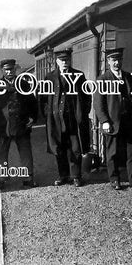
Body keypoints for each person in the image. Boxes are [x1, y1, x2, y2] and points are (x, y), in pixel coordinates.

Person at [94, 48, 132, 190]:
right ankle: (114, 179)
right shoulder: (102, 79)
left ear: (122, 60)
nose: (116, 63)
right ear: (108, 62)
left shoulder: (129, 77)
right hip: (113, 122)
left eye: (119, 60)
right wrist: (104, 121)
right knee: (113, 152)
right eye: (113, 60)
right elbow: (98, 104)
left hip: (129, 120)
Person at [42, 49, 91, 187]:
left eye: (67, 60)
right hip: (56, 119)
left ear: (70, 61)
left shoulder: (79, 76)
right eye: (62, 60)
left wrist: (84, 112)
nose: (65, 63)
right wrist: (47, 113)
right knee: (59, 148)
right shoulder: (50, 77)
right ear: (57, 61)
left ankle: (76, 176)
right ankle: (63, 175)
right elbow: (43, 98)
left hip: (73, 119)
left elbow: (87, 95)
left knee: (75, 147)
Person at [0, 59, 38, 189]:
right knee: (1, 153)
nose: (9, 72)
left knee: (25, 152)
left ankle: (28, 178)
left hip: (22, 124)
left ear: (15, 69)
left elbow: (32, 101)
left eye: (11, 69)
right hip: (3, 126)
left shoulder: (24, 84)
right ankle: (1, 179)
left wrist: (33, 117)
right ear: (2, 70)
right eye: (6, 69)